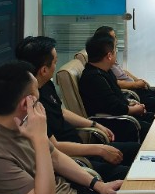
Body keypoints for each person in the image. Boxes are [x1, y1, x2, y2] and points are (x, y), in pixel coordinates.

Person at [0, 61, 123, 194]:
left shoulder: (24, 121)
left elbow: (56, 157)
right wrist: (39, 139)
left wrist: (98, 185)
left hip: (70, 193)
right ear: (26, 103)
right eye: (37, 90)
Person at [15, 35, 139, 178]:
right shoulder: (31, 104)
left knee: (137, 151)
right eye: (55, 62)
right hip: (72, 160)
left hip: (81, 147)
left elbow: (60, 111)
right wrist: (99, 149)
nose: (56, 66)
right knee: (128, 174)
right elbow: (54, 147)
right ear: (43, 70)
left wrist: (94, 124)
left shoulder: (45, 84)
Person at [78, 35, 154, 142]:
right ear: (109, 55)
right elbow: (114, 107)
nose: (116, 54)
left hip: (122, 115)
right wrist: (135, 109)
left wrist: (131, 103)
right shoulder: (94, 78)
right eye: (115, 51)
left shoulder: (105, 71)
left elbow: (116, 97)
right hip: (114, 123)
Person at [92, 26, 155, 113]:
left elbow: (122, 72)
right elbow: (115, 106)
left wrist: (137, 80)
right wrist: (135, 85)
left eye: (115, 37)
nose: (115, 40)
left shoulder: (107, 67)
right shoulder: (101, 70)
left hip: (130, 100)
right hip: (131, 94)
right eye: (112, 38)